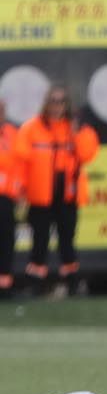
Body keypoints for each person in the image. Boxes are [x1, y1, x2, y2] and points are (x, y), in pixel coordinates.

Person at [12, 84, 97, 294]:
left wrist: (77, 133)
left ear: (67, 104)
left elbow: (87, 154)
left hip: (67, 195)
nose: (57, 106)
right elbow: (21, 160)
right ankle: (35, 283)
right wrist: (20, 190)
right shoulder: (31, 128)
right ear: (46, 103)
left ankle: (72, 283)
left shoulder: (76, 129)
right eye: (53, 101)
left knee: (67, 240)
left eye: (61, 101)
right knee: (39, 241)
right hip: (40, 195)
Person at [0, 98, 18, 295]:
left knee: (6, 242)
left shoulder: (13, 135)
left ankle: (5, 288)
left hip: (6, 199)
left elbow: (20, 165)